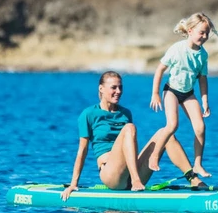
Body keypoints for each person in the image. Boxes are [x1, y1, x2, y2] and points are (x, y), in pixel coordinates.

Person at [61, 70, 206, 201]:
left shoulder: (125, 113)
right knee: (129, 128)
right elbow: (82, 151)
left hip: (133, 170)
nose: (118, 91)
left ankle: (192, 178)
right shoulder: (88, 114)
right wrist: (73, 184)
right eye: (113, 88)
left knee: (165, 134)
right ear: (101, 89)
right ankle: (136, 181)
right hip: (112, 175)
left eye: (120, 87)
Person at [149, 12, 218, 177]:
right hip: (171, 91)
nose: (204, 36)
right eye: (201, 32)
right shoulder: (177, 49)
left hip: (188, 94)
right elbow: (160, 70)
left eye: (207, 33)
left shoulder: (203, 55)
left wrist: (205, 101)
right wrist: (155, 94)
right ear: (190, 31)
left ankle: (197, 165)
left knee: (200, 127)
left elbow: (202, 79)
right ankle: (154, 156)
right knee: (172, 125)